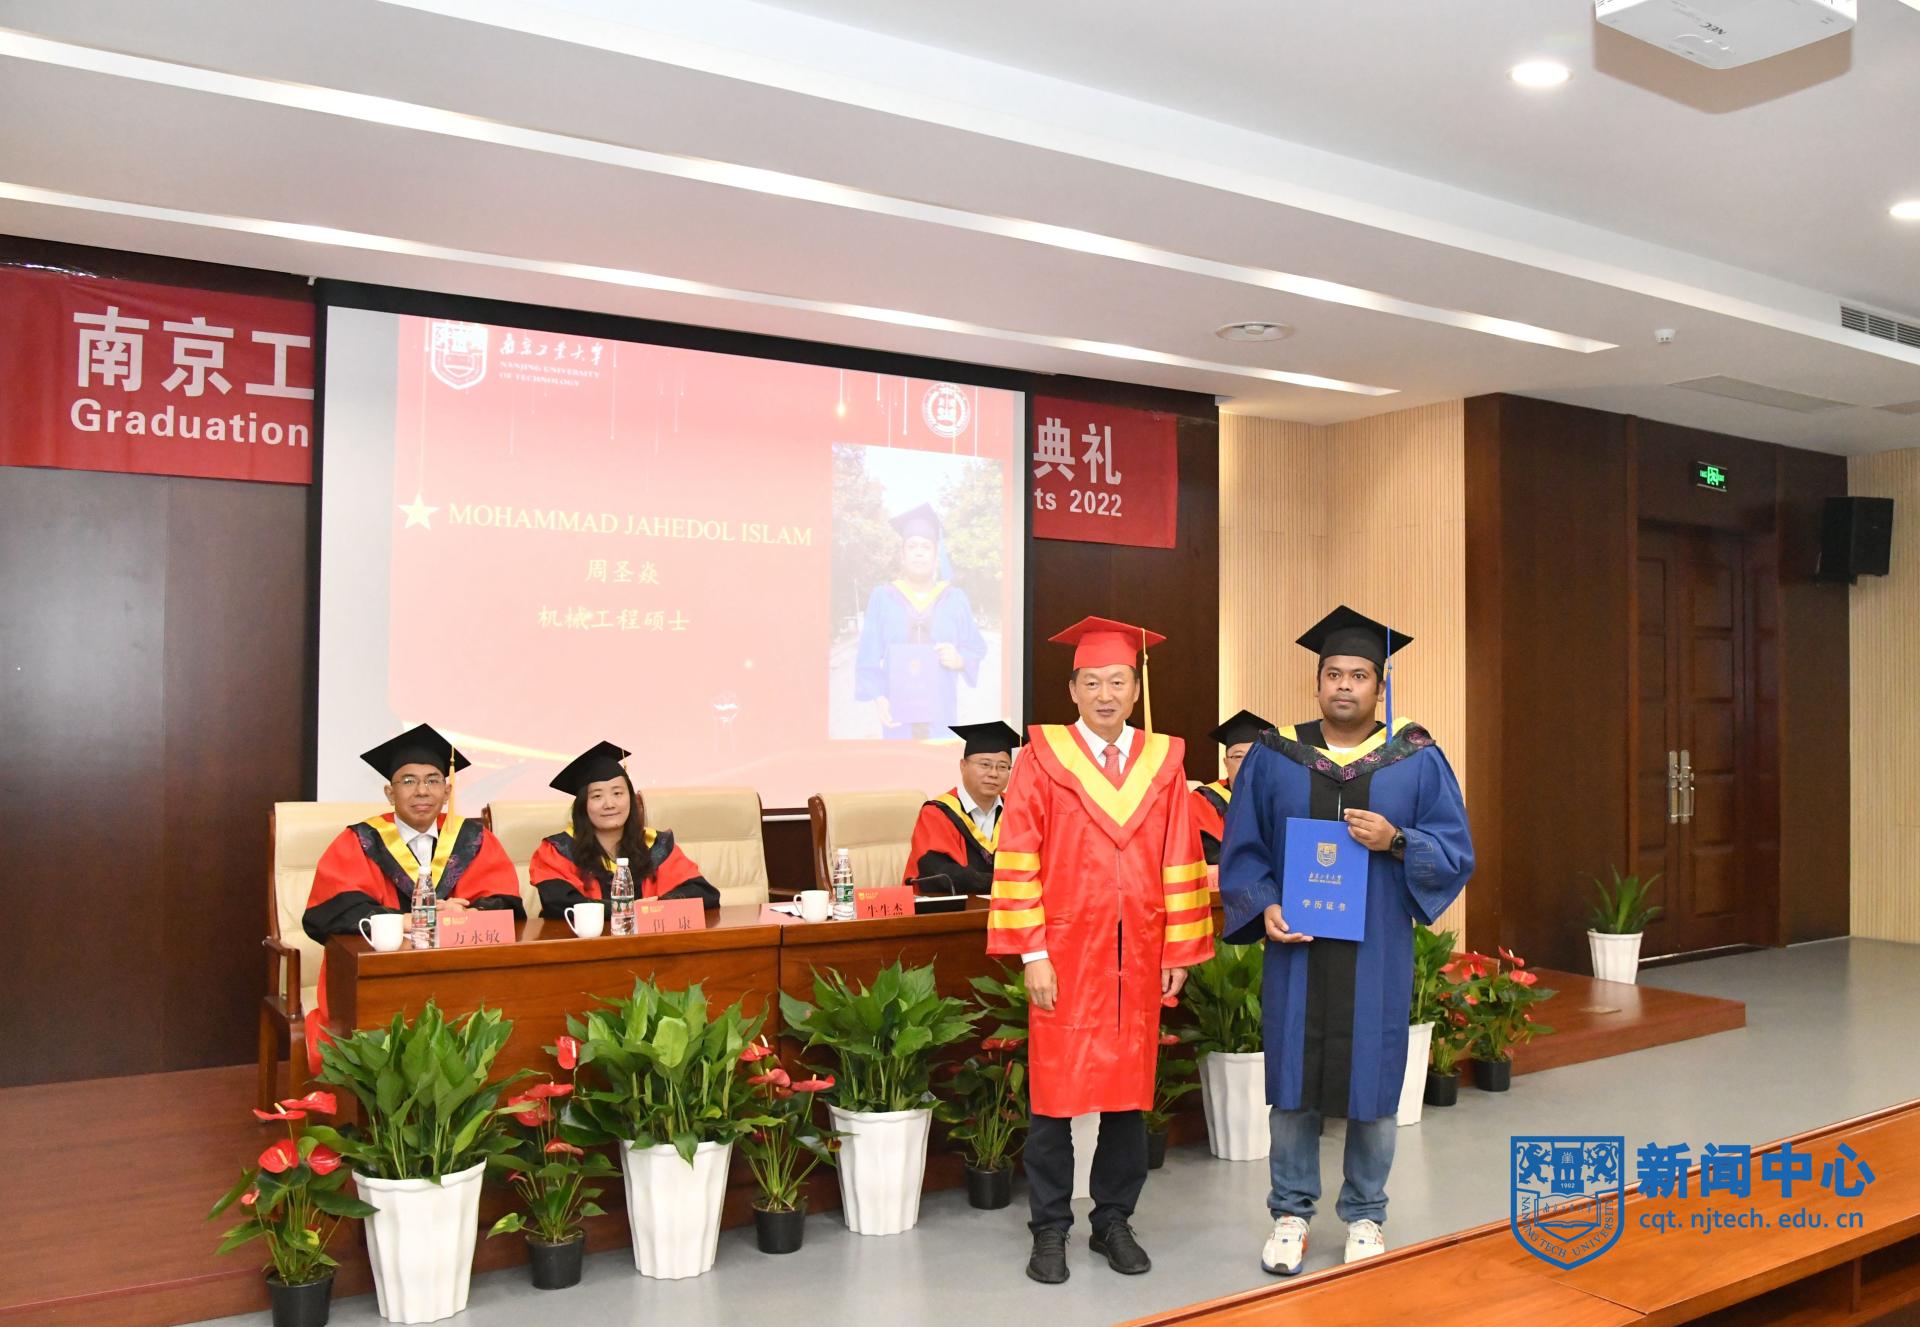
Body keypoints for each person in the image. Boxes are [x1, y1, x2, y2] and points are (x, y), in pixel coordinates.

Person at [1217, 606, 1473, 1276]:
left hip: (1375, 949)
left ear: (1379, 688)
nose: (1344, 686)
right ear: (1317, 683)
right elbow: (1244, 847)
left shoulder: (1415, 758)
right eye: (1333, 674)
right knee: (1293, 1082)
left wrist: (1398, 840)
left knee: (1373, 1078)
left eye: (1359, 675)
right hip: (1297, 949)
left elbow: (1454, 849)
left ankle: (1366, 1213)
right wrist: (1265, 904)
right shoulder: (1275, 757)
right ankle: (1290, 1213)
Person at [987, 616, 1214, 1285]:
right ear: (1072, 689)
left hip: (1137, 954)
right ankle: (1049, 1227)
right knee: (1054, 1096)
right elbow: (1018, 853)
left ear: (1136, 689)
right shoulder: (1041, 758)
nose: (1105, 694)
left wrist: (1178, 947)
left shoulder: (1162, 762)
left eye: (1118, 681)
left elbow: (1181, 855)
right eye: (1092, 682)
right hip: (1065, 953)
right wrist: (1032, 953)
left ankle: (1113, 1219)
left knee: (1126, 1095)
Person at [301, 724, 524, 1064]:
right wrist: (404, 920)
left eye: (432, 780)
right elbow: (329, 912)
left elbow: (506, 904)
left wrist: (468, 915)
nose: (422, 791)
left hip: (462, 977)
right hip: (380, 981)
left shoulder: (474, 839)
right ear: (390, 793)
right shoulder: (359, 841)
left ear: (446, 791)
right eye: (408, 781)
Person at [529, 740, 720, 916]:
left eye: (618, 793)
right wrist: (630, 909)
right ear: (583, 805)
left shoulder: (656, 846)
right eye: (597, 796)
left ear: (630, 798)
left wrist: (658, 906)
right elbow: (558, 903)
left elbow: (703, 894)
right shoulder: (558, 851)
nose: (609, 804)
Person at [853, 502, 988, 740]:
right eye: (912, 546)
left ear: (936, 556)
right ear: (902, 556)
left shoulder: (955, 599)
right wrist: (879, 699)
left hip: (941, 716)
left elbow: (975, 647)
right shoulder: (883, 598)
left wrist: (959, 659)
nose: (918, 552)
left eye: (926, 546)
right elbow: (868, 656)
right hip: (897, 718)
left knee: (940, 762)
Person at [903, 720, 1020, 893]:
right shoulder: (937, 813)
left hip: (1009, 907)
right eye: (985, 764)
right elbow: (938, 873)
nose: (994, 773)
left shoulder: (1018, 810)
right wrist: (1003, 882)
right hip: (953, 908)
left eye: (1003, 767)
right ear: (963, 766)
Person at [1191, 709, 1272, 866]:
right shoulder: (1203, 801)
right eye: (1238, 756)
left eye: (1255, 756)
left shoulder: (1279, 800)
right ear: (1226, 763)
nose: (1247, 764)